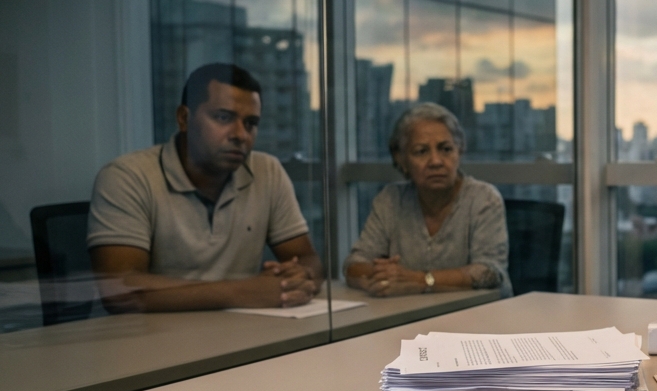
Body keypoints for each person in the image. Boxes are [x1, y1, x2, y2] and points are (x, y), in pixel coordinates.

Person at [88, 63, 322, 312]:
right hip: (154, 340)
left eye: (251, 123)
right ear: (184, 118)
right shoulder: (128, 176)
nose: (241, 135)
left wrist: (298, 276)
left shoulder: (267, 171)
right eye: (223, 117)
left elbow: (308, 259)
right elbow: (121, 291)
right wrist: (242, 291)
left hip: (244, 331)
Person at [345, 103, 511, 298]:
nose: (436, 161)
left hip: (480, 318)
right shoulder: (390, 200)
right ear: (401, 159)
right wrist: (385, 276)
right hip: (411, 317)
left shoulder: (484, 199)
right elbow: (353, 264)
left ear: (460, 151)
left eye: (446, 149)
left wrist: (419, 280)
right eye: (421, 151)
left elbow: (489, 272)